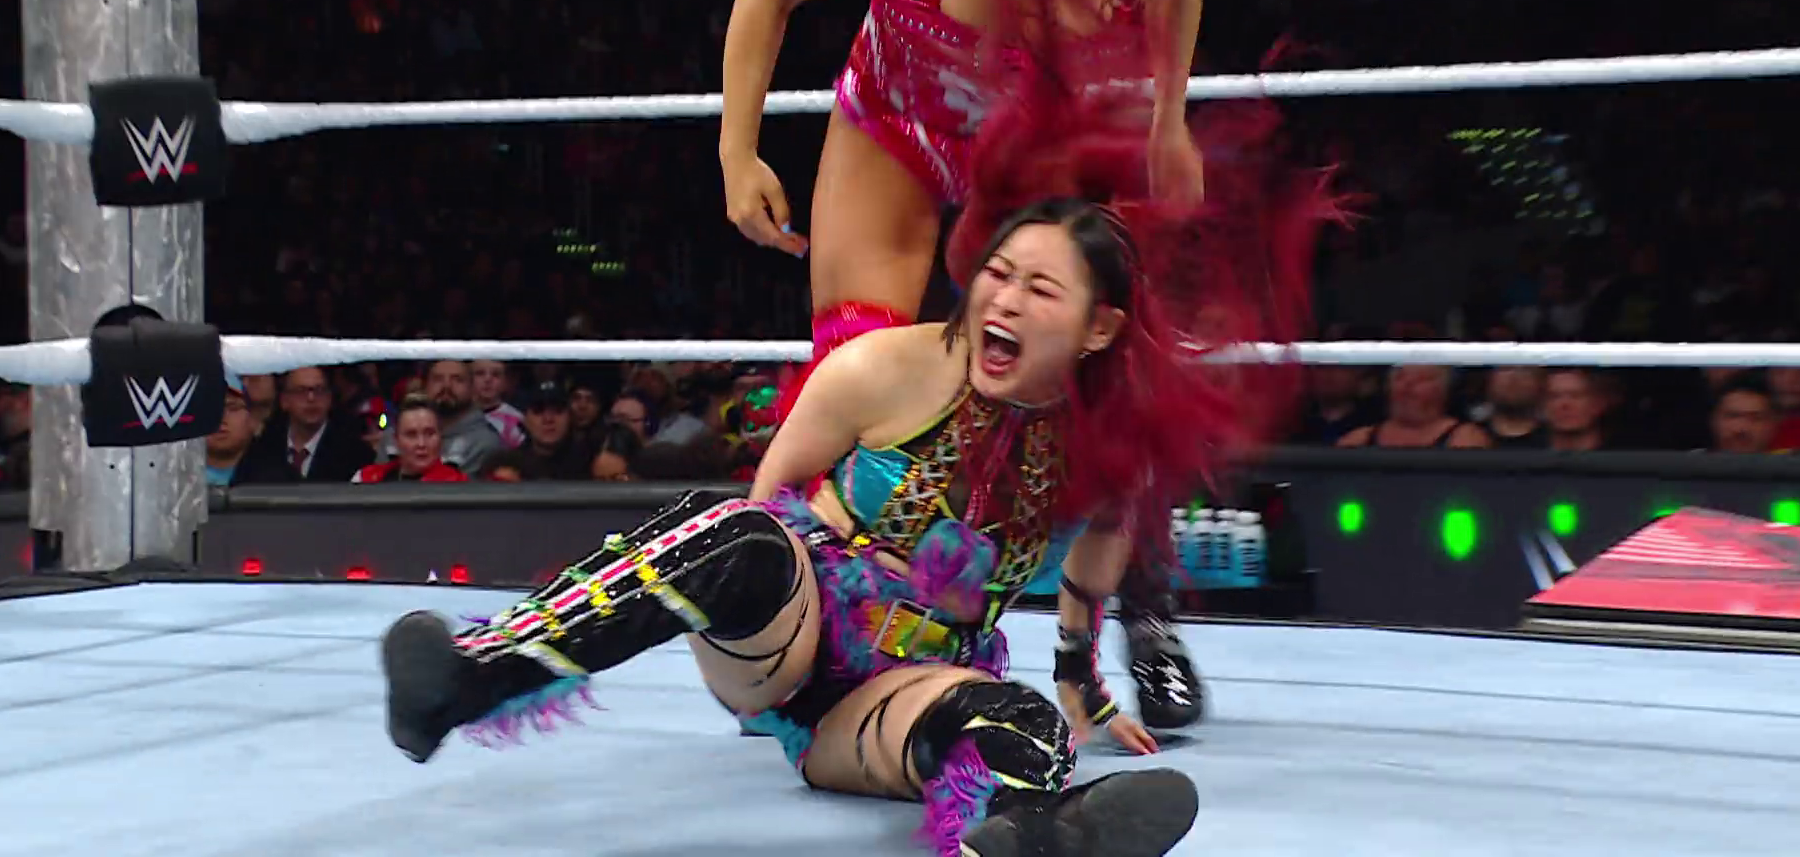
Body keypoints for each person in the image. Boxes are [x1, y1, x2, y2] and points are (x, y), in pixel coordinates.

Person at [720, 0, 1395, 730]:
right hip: (900, 128)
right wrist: (738, 150)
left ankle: (1127, 619)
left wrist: (1168, 120)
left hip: (1037, 145)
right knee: (858, 367)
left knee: (1121, 379)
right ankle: (815, 626)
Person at [377, 196, 1303, 857]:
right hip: (792, 638)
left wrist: (1082, 685)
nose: (1005, 300)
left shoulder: (1102, 451)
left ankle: (1030, 838)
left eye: (1040, 289)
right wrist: (783, 600)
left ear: (1098, 329)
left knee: (1018, 723)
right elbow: (764, 503)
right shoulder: (883, 369)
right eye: (997, 273)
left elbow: (1095, 565)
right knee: (736, 534)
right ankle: (466, 680)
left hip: (898, 691)